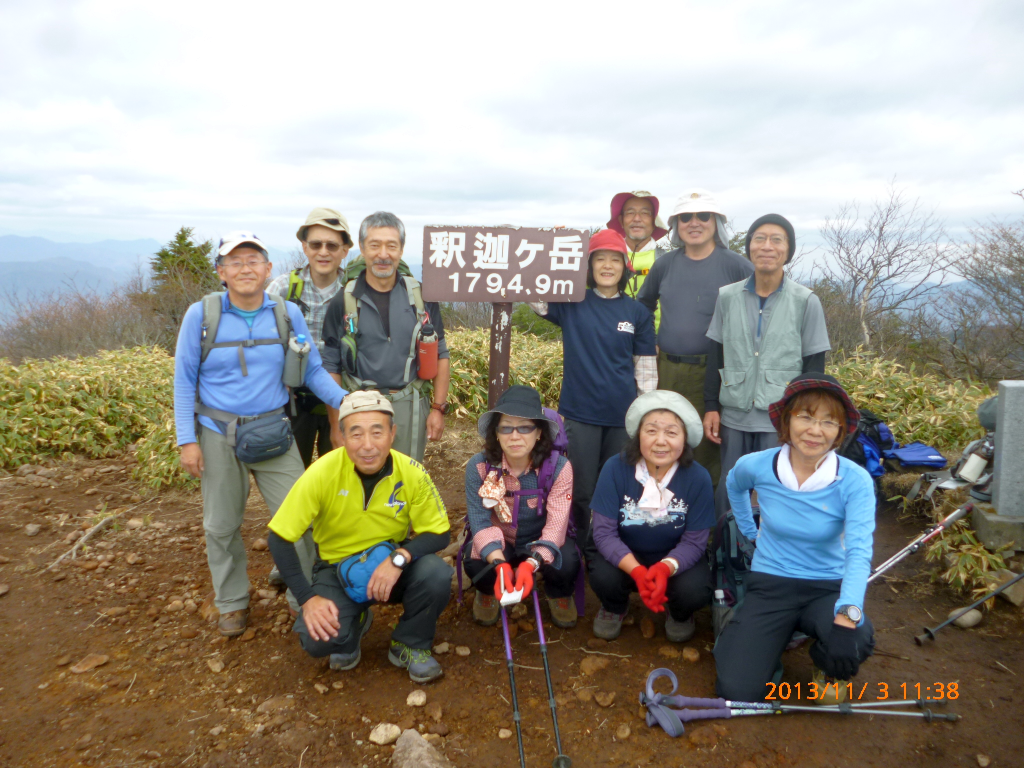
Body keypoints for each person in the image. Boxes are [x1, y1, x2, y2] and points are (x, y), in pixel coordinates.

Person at [174, 231, 346, 637]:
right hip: (216, 431)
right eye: (234, 262)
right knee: (220, 524)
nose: (245, 268)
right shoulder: (201, 316)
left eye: (253, 260)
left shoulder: (286, 314)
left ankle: (303, 596)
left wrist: (351, 403)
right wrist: (187, 441)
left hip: (272, 429)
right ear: (221, 273)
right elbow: (184, 380)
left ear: (269, 269)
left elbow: (313, 370)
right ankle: (232, 601)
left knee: (299, 518)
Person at [267, 390, 453, 683]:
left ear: (392, 434)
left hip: (390, 559)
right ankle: (355, 621)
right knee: (318, 641)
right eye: (356, 434)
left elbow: (440, 532)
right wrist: (307, 598)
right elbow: (279, 537)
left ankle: (409, 642)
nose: (367, 445)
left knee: (436, 574)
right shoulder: (321, 473)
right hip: (337, 569)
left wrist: (399, 558)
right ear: (341, 437)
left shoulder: (412, 473)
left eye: (377, 432)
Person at [713, 374, 876, 703]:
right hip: (771, 583)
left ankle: (822, 661)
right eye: (805, 416)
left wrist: (847, 618)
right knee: (737, 690)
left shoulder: (854, 480)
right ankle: (770, 642)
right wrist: (749, 531)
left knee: (855, 639)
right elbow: (734, 485)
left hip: (827, 585)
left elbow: (859, 553)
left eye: (829, 422)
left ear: (840, 432)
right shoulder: (757, 465)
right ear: (786, 420)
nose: (815, 430)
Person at [529, 228, 657, 547]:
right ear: (589, 266)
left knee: (616, 486)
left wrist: (646, 414)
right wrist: (553, 250)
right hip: (580, 414)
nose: (607, 266)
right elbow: (535, 297)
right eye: (600, 259)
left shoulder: (637, 313)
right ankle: (580, 547)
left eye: (615, 259)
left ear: (625, 267)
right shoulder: (574, 302)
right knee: (582, 488)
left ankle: (609, 547)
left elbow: (645, 367)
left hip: (623, 416)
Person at [704, 214, 831, 518]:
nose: (767, 246)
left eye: (777, 239)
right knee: (729, 486)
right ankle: (726, 553)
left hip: (780, 416)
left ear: (788, 250)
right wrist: (711, 406)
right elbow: (716, 354)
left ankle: (768, 557)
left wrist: (805, 418)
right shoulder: (727, 296)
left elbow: (815, 366)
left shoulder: (806, 301)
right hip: (734, 412)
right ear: (749, 248)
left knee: (776, 488)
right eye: (759, 239)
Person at [636, 190, 753, 490]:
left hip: (714, 373)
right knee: (662, 441)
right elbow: (642, 307)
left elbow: (761, 310)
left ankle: (707, 529)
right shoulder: (665, 264)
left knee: (707, 447)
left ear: (716, 222)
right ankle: (660, 516)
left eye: (703, 216)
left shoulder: (736, 265)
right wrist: (650, 341)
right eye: (686, 217)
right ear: (677, 225)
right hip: (667, 371)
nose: (694, 222)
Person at [322, 212, 451, 462]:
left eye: (391, 245)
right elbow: (331, 363)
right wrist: (336, 420)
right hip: (359, 406)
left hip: (410, 404)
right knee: (360, 481)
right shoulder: (344, 300)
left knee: (406, 478)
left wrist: (437, 408)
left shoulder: (421, 297)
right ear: (361, 249)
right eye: (375, 245)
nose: (383, 254)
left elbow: (441, 353)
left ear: (401, 250)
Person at [587, 391, 714, 642]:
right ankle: (615, 607)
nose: (660, 441)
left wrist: (665, 568)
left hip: (672, 555)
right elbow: (603, 532)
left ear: (685, 438)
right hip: (625, 554)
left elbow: (695, 541)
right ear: (638, 435)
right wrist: (636, 570)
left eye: (671, 432)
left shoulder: (698, 478)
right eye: (652, 430)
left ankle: (678, 612)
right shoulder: (615, 468)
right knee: (601, 574)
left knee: (696, 589)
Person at [463, 385, 580, 629]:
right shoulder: (479, 467)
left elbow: (557, 524)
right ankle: (486, 592)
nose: (515, 436)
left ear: (539, 433)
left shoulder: (559, 468)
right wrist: (498, 562)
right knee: (475, 558)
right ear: (496, 433)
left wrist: (532, 562)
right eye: (506, 427)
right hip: (501, 539)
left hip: (538, 538)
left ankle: (558, 593)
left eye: (525, 427)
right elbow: (479, 520)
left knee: (567, 560)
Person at [266, 208, 353, 468]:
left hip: (341, 395)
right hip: (294, 402)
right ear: (304, 247)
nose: (323, 252)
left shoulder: (354, 291)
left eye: (332, 245)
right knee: (292, 477)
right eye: (316, 244)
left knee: (340, 476)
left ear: (345, 250)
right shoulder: (283, 289)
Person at [606, 190, 669, 308]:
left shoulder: (670, 261)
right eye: (630, 213)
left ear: (654, 221)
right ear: (621, 220)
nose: (637, 219)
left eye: (645, 213)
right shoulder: (602, 261)